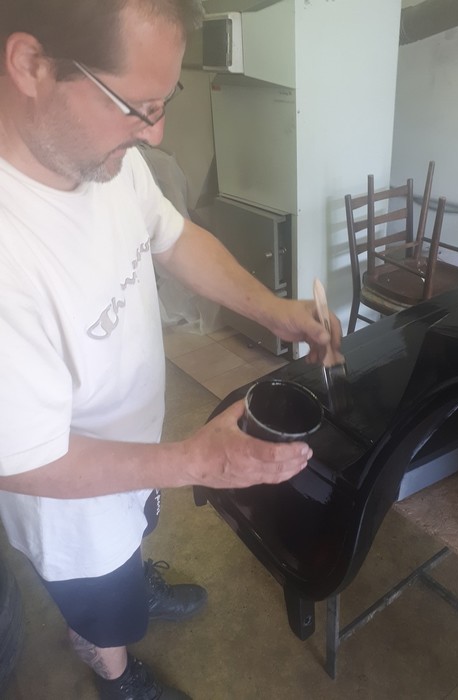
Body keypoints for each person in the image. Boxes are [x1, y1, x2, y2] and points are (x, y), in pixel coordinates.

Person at [0, 1, 343, 698]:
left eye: (163, 103)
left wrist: (274, 309)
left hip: (135, 460)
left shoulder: (103, 158)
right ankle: (115, 674)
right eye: (138, 107)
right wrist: (197, 461)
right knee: (104, 610)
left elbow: (173, 237)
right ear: (31, 65)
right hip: (73, 515)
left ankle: (133, 581)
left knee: (134, 542)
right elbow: (25, 462)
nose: (155, 134)